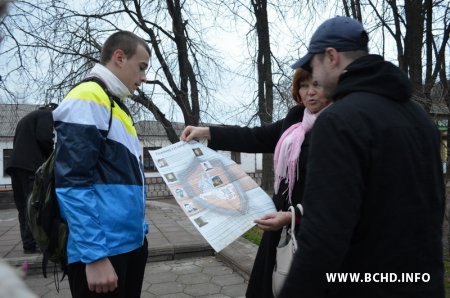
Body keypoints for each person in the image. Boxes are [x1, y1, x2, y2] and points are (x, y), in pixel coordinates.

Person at [279, 16, 445, 298]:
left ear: (331, 56)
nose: (314, 78)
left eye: (313, 66)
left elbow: (324, 237)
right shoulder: (420, 117)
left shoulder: (339, 121)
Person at [180, 68, 332, 298]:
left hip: (314, 230)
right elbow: (255, 136)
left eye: (317, 85)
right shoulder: (294, 120)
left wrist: (293, 217)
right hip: (278, 225)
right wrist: (208, 132)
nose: (310, 93)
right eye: (303, 86)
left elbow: (340, 196)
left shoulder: (340, 126)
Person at [52, 31, 150, 297]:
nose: (144, 78)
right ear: (119, 57)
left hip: (128, 244)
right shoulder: (88, 97)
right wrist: (94, 256)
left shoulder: (116, 104)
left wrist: (141, 231)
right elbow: (72, 183)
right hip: (103, 253)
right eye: (141, 67)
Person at [6, 103, 58, 254]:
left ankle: (28, 244)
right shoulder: (46, 115)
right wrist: (50, 158)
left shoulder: (26, 119)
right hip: (30, 167)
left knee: (23, 207)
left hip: (15, 167)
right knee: (34, 205)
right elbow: (44, 137)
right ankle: (38, 242)